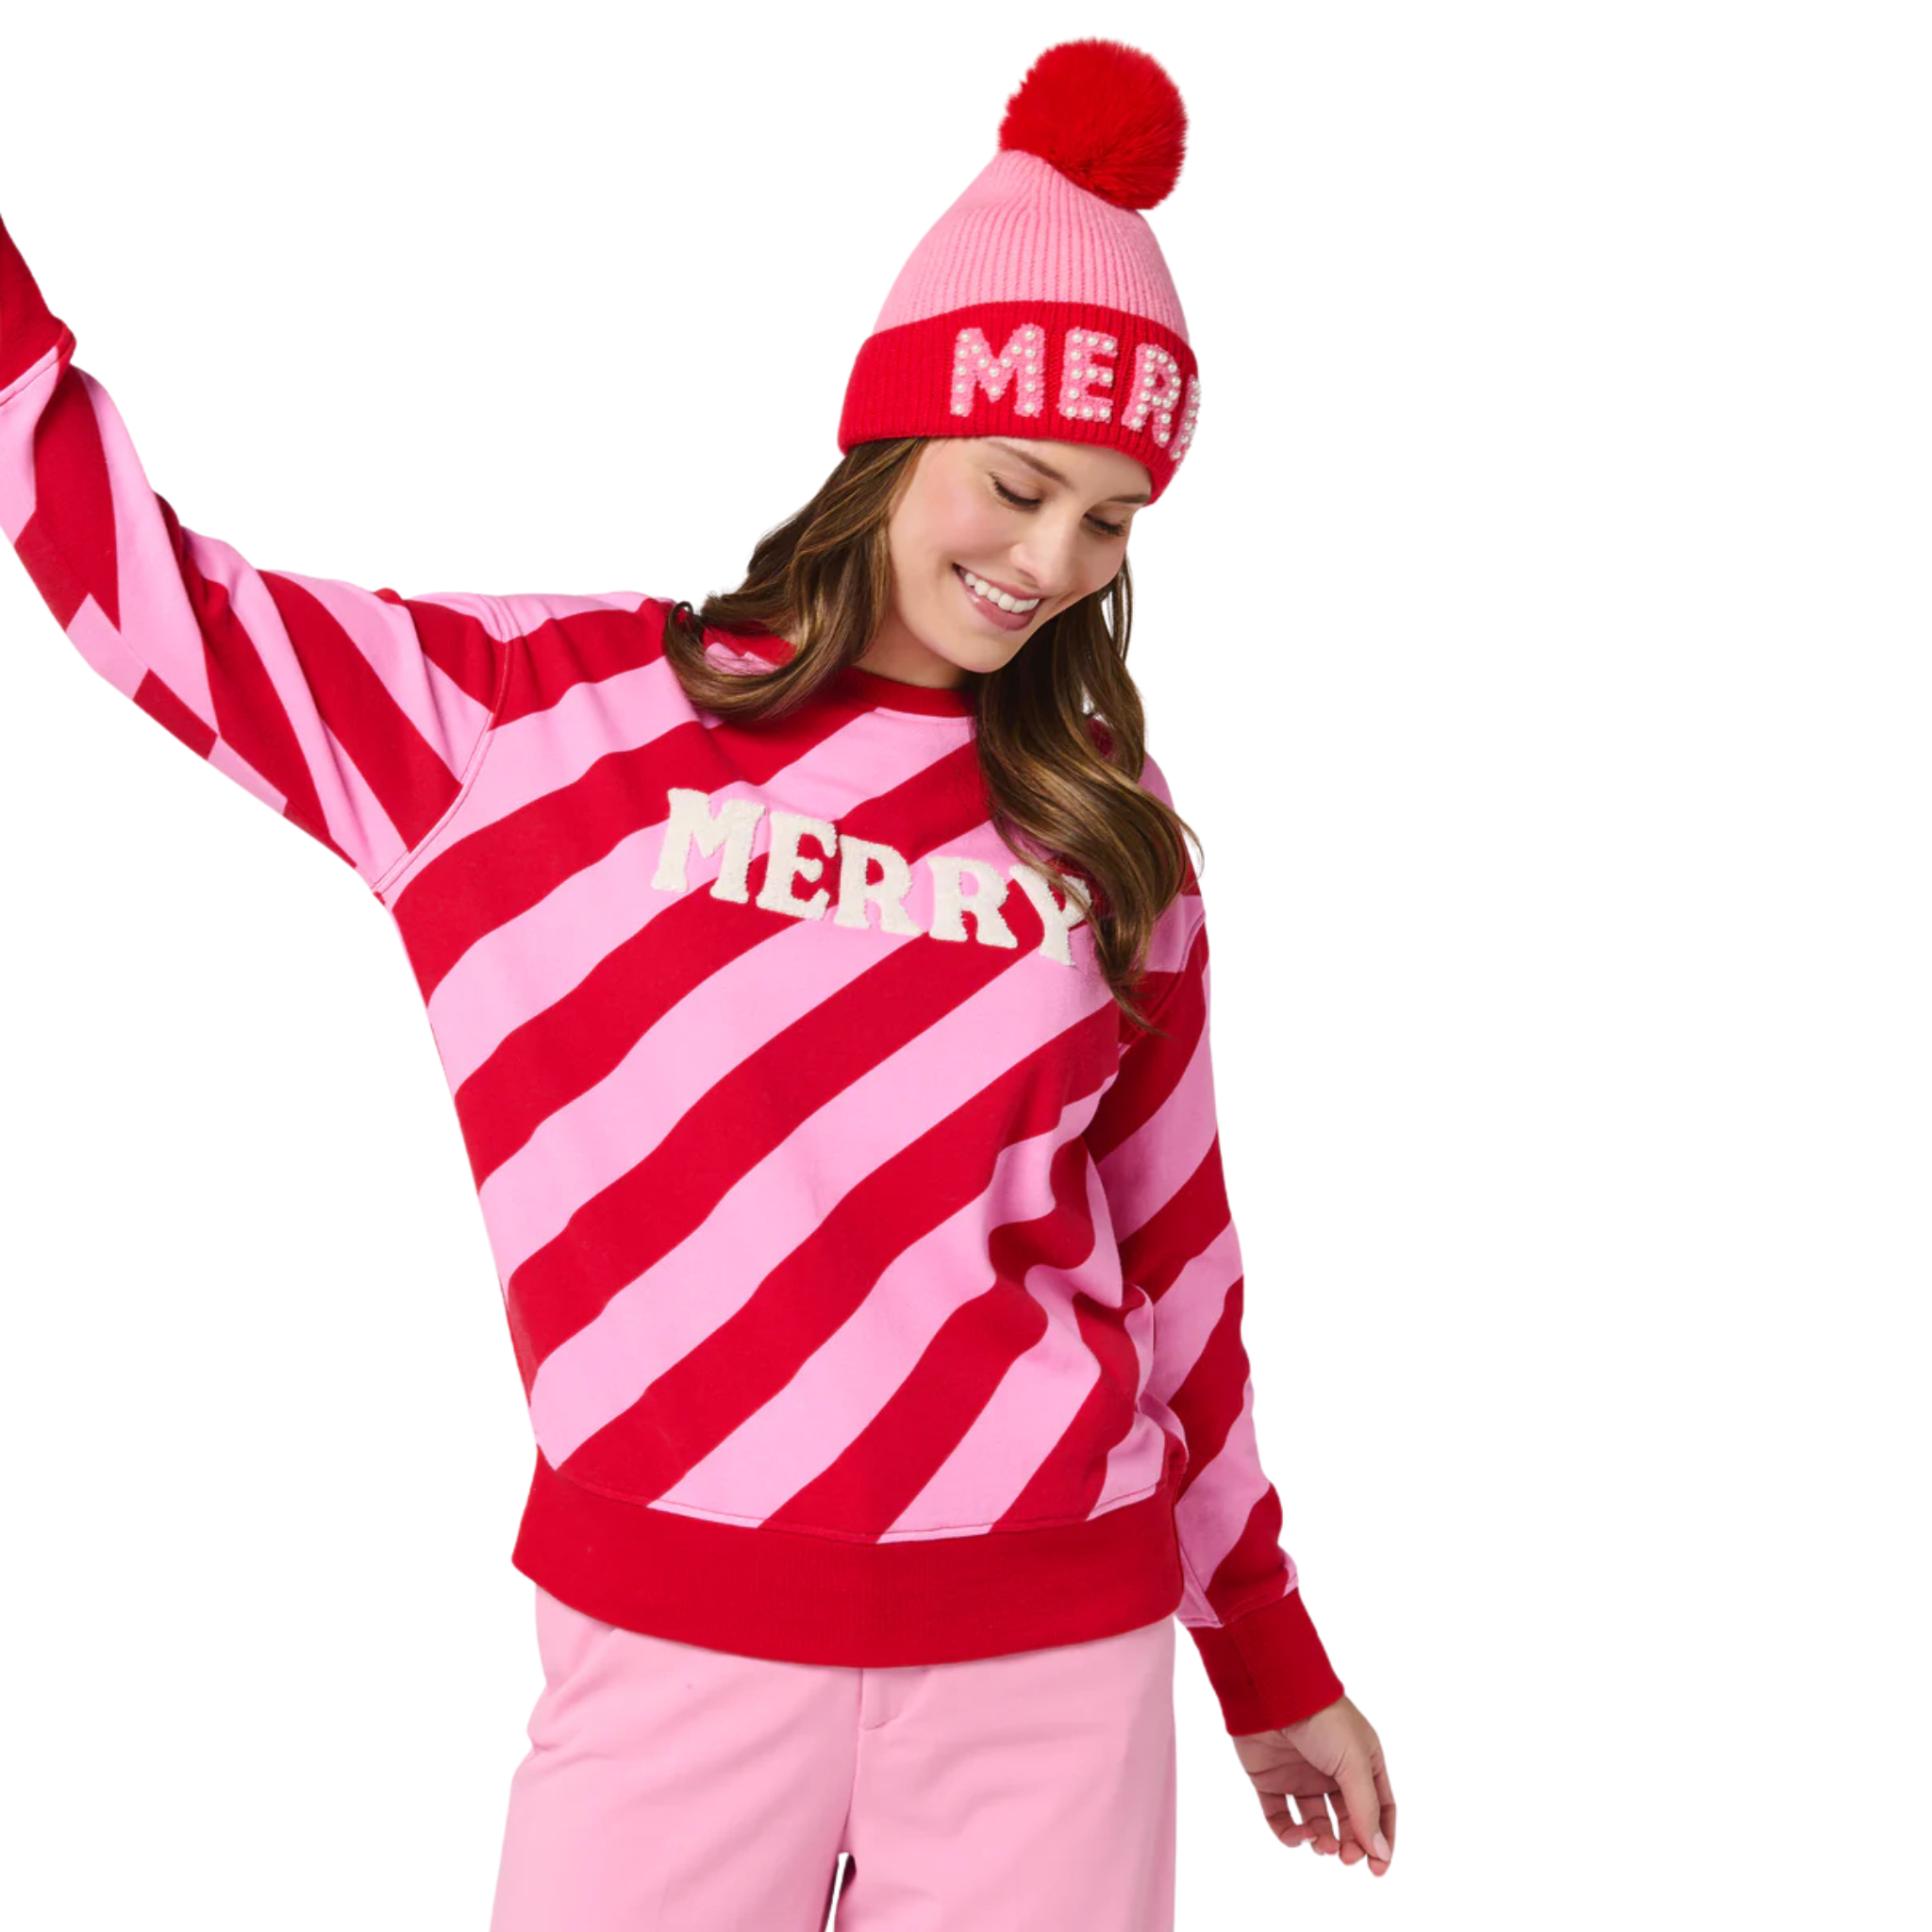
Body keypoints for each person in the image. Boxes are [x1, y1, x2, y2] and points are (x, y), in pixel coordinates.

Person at [0, 33, 1394, 1931]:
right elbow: (151, 597)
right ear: (896, 433)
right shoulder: (537, 726)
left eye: (1108, 520)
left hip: (1051, 1652)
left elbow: (1179, 1265)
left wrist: (1269, 1658)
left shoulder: (1104, 821)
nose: (1049, 562)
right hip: (673, 1650)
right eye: (1015, 484)